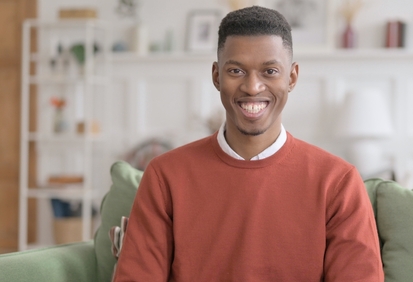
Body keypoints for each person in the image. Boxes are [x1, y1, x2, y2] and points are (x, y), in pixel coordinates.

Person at [113, 6, 383, 281]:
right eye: (236, 71)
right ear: (217, 76)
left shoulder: (338, 182)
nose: (253, 87)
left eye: (269, 71)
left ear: (291, 77)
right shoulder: (165, 175)